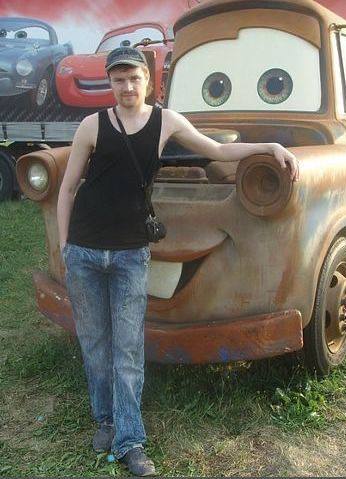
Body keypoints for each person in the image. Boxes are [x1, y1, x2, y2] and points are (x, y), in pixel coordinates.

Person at [56, 46, 298, 477]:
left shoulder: (166, 121)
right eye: (118, 79)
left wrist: (272, 145)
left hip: (131, 253)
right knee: (94, 344)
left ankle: (130, 441)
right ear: (110, 83)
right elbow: (69, 188)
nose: (127, 87)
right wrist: (64, 245)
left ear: (148, 82)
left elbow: (217, 151)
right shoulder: (92, 126)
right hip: (85, 251)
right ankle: (105, 420)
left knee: (127, 349)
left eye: (134, 78)